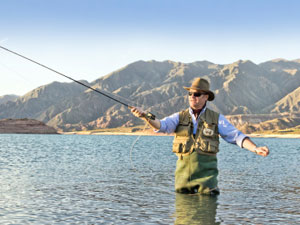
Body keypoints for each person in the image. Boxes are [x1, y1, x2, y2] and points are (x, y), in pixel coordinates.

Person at [131, 78, 269, 195]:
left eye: (196, 94)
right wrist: (145, 116)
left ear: (206, 97)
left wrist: (255, 149)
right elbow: (161, 125)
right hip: (182, 185)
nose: (192, 96)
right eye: (190, 93)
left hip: (207, 187)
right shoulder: (179, 117)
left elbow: (237, 137)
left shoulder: (217, 119)